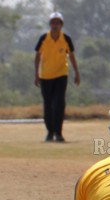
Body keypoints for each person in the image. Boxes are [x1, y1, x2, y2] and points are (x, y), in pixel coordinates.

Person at [34, 12, 80, 142]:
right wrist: (36, 74)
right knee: (48, 104)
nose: (55, 25)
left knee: (59, 103)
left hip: (61, 74)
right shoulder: (44, 38)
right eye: (53, 23)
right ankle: (50, 132)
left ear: (61, 25)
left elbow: (71, 56)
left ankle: (58, 133)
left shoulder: (66, 39)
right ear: (50, 24)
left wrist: (77, 73)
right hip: (45, 76)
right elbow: (37, 56)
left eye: (57, 23)